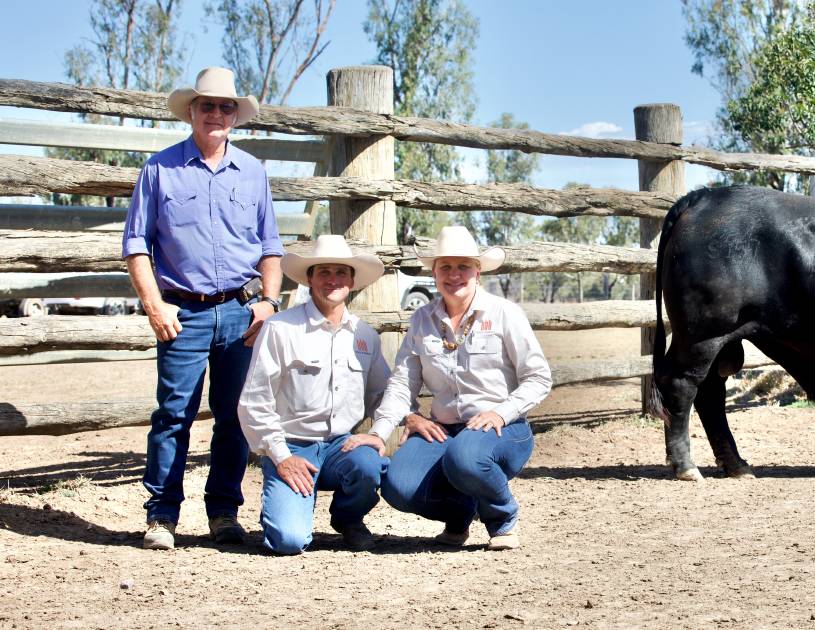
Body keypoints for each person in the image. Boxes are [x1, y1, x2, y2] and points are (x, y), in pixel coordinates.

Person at [122, 67, 283, 550]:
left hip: (239, 310)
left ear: (236, 115)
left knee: (236, 415)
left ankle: (223, 513)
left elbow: (270, 246)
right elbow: (136, 245)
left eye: (225, 106)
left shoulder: (253, 171)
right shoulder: (160, 169)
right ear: (191, 111)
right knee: (173, 415)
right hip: (182, 312)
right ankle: (162, 517)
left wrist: (270, 302)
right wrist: (155, 306)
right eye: (207, 105)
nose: (216, 113)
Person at [369, 226, 552, 550]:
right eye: (445, 267)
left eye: (463, 266)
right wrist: (389, 428)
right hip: (445, 430)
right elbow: (402, 382)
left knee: (465, 457)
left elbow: (539, 377)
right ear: (434, 272)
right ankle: (460, 514)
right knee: (398, 484)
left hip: (503, 430)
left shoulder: (504, 313)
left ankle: (502, 517)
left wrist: (500, 412)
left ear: (477, 271)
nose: (454, 275)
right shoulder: (422, 320)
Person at [238, 235, 391, 553]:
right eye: (324, 272)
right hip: (291, 446)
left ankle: (348, 518)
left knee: (368, 464)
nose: (332, 280)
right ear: (309, 278)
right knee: (288, 541)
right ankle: (283, 506)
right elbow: (255, 400)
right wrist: (280, 456)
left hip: (341, 445)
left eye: (340, 272)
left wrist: (379, 432)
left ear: (352, 281)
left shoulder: (364, 336)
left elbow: (384, 392)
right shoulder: (281, 329)